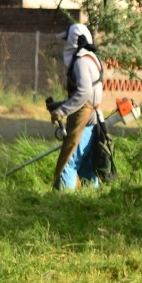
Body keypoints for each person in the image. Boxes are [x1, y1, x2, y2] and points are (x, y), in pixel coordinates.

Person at [47, 24, 105, 190]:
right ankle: (93, 197)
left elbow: (84, 93)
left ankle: (63, 199)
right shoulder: (91, 58)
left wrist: (61, 111)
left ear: (73, 40)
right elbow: (88, 94)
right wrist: (60, 105)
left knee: (69, 162)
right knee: (86, 164)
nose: (66, 44)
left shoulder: (81, 62)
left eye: (67, 40)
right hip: (93, 118)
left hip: (84, 119)